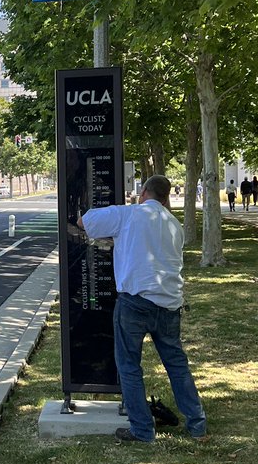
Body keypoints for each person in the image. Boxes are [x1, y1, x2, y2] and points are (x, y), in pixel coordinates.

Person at [78, 174, 207, 444]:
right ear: (165, 197)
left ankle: (142, 430)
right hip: (170, 303)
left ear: (144, 191)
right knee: (176, 364)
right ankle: (197, 424)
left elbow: (84, 222)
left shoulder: (128, 215)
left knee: (129, 365)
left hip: (134, 303)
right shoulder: (175, 225)